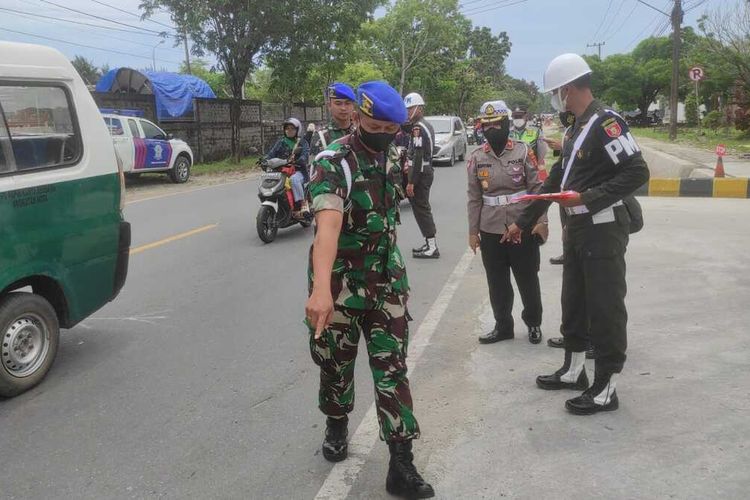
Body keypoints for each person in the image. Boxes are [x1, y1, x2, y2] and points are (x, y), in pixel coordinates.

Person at [305, 81, 435, 498]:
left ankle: (401, 463)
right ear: (357, 117)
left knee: (392, 370)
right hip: (340, 286)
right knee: (335, 365)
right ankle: (337, 424)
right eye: (374, 124)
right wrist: (321, 289)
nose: (382, 133)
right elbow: (327, 227)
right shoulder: (333, 161)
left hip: (386, 284)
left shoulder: (392, 155)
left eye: (389, 127)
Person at [503, 53, 650, 415]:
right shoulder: (575, 128)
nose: (556, 99)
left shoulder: (607, 123)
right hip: (578, 231)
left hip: (603, 230)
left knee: (605, 307)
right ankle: (574, 370)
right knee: (575, 302)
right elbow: (555, 182)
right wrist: (522, 222)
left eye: (556, 92)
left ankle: (606, 387)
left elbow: (637, 172)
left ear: (568, 89)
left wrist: (588, 198)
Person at [467, 100, 548, 345]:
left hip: (522, 226)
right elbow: (474, 197)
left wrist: (541, 221)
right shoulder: (477, 157)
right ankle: (503, 326)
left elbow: (537, 190)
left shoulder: (523, 151)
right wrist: (472, 231)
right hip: (490, 228)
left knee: (527, 278)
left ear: (506, 123)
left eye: (497, 124)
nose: (492, 129)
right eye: (487, 125)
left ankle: (533, 323)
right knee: (497, 281)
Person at [403, 92, 439, 259]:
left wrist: (411, 181)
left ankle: (432, 246)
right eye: (407, 109)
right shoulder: (425, 125)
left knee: (422, 209)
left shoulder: (418, 128)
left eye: (411, 108)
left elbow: (418, 155)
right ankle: (429, 242)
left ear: (419, 108)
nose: (409, 112)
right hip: (424, 170)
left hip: (421, 172)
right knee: (420, 209)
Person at [265, 117, 310, 216]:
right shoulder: (281, 142)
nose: (289, 131)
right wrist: (265, 160)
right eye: (287, 129)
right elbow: (271, 153)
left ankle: (302, 203)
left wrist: (300, 160)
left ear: (297, 130)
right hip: (283, 170)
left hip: (298, 171)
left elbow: (305, 155)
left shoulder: (302, 142)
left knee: (294, 180)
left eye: (292, 129)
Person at [309, 82, 357, 156]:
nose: (343, 108)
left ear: (353, 106)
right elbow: (314, 165)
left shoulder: (359, 132)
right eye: (338, 103)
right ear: (329, 106)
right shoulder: (321, 135)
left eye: (347, 103)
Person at [510, 106, 548, 180]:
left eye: (520, 116)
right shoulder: (508, 133)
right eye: (515, 117)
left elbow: (542, 151)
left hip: (532, 169)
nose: (518, 119)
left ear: (526, 116)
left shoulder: (536, 131)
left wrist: (539, 164)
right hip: (513, 172)